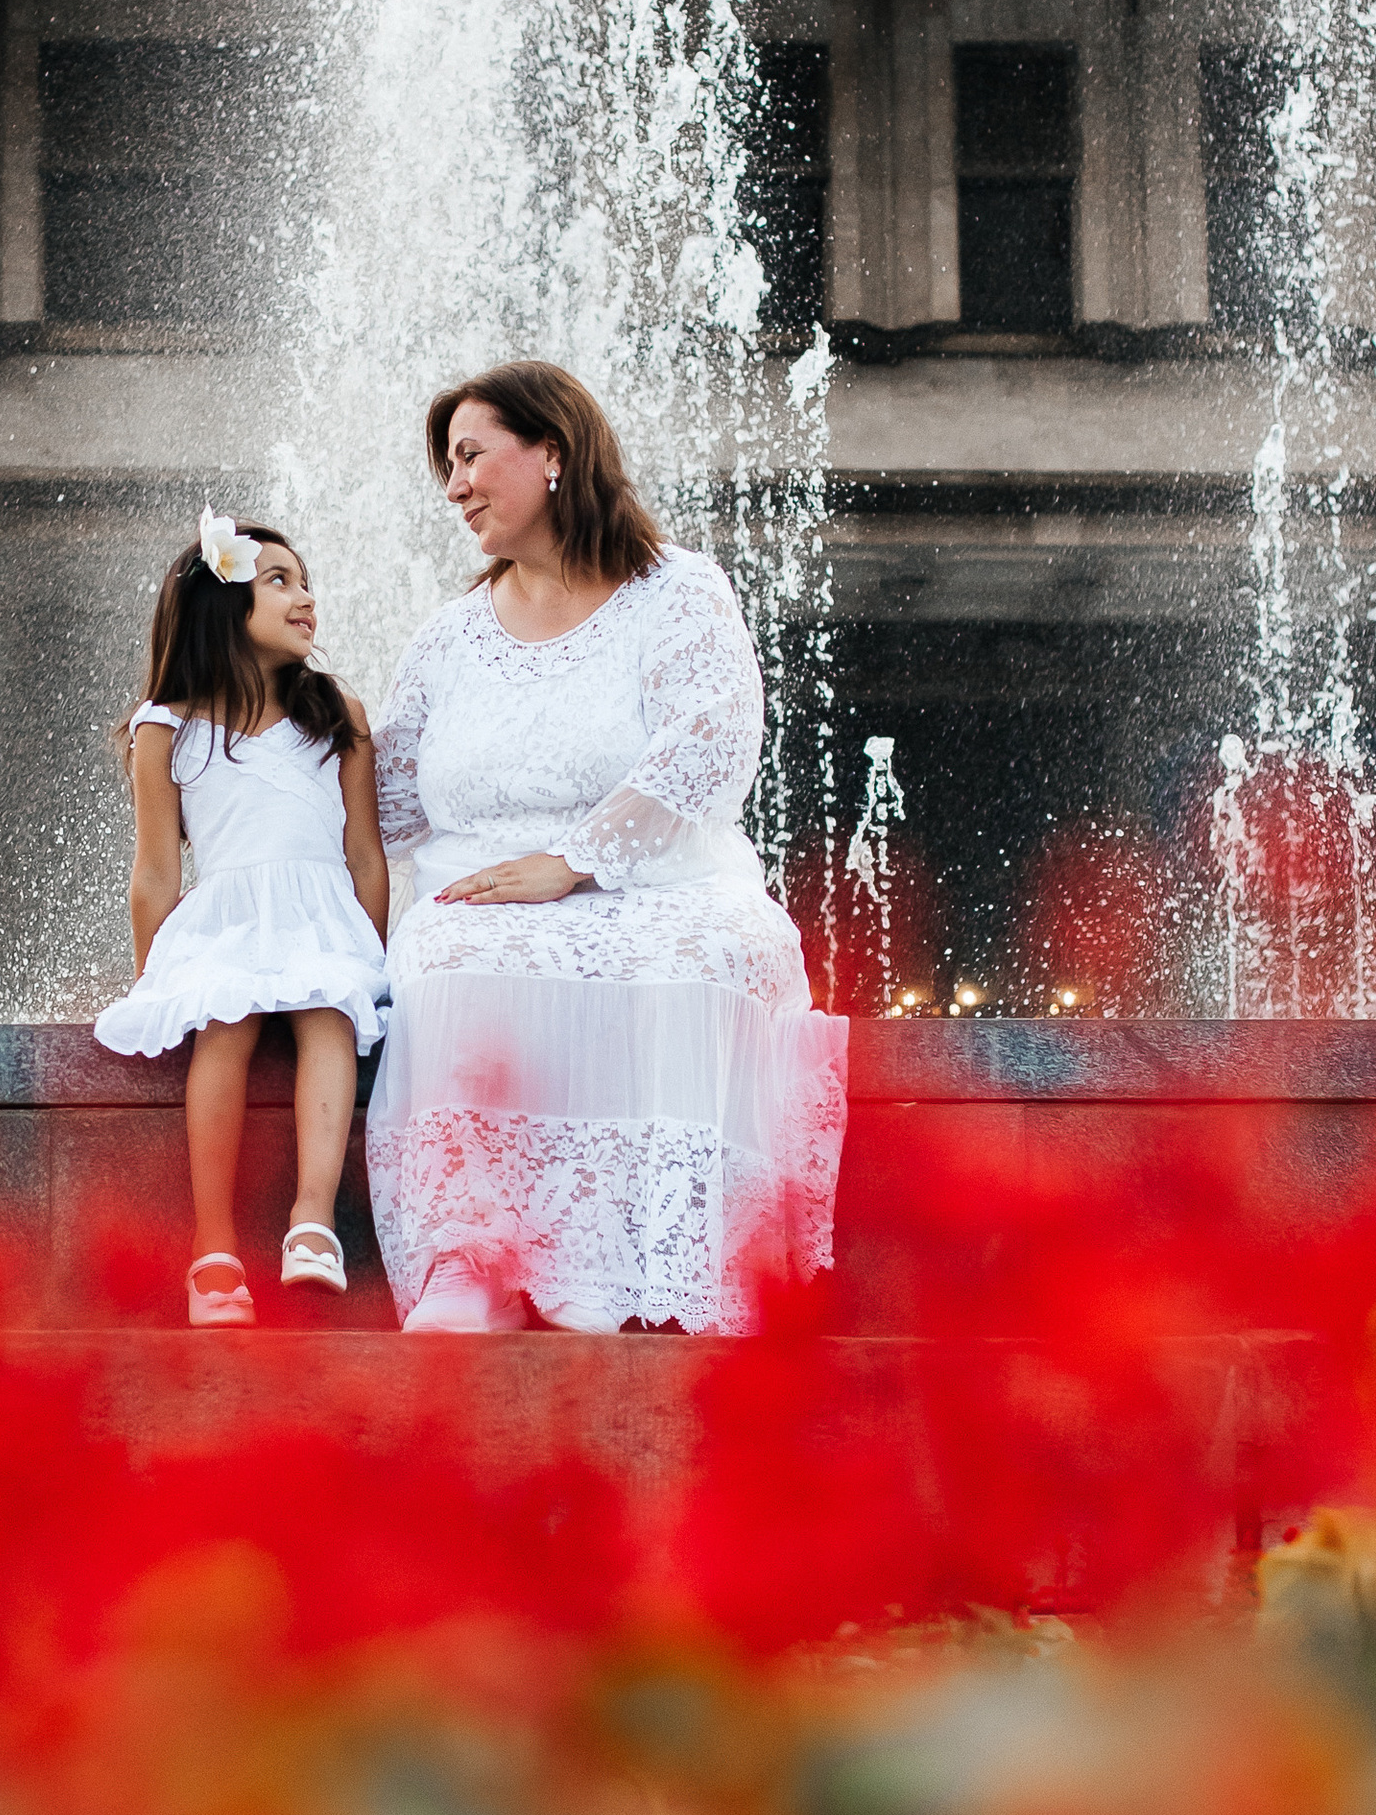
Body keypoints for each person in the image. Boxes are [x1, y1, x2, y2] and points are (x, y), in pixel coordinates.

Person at [367, 362, 846, 1334]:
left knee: (707, 957)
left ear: (551, 452)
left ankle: (675, 1269)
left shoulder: (678, 591)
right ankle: (472, 1262)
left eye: (470, 456)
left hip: (663, 880)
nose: (454, 487)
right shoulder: (449, 639)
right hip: (485, 898)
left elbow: (713, 737)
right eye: (447, 466)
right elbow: (380, 798)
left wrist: (576, 863)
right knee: (452, 956)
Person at [95, 508, 391, 1325]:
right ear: (223, 605)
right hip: (228, 918)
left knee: (330, 1013)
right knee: (224, 1025)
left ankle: (313, 1223)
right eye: (280, 582)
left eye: (307, 583)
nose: (306, 598)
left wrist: (371, 958)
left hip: (320, 917)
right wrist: (157, 977)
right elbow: (156, 872)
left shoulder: (337, 714)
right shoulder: (167, 729)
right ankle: (215, 1248)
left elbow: (366, 856)